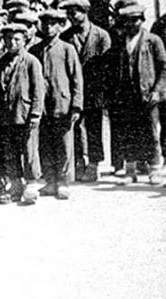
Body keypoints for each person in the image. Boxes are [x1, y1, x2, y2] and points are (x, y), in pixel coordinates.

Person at [102, 4, 166, 183]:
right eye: (128, 21)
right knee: (129, 132)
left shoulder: (153, 40)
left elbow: (163, 67)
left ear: (142, 20)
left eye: (135, 20)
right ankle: (130, 171)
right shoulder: (121, 41)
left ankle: (154, 170)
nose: (131, 24)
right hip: (126, 95)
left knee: (151, 133)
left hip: (147, 94)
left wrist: (157, 91)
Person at [0, 23, 44, 204]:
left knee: (29, 150)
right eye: (8, 39)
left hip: (25, 113)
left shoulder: (31, 61)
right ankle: (16, 184)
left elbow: (38, 89)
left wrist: (35, 113)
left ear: (25, 41)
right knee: (10, 151)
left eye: (16, 39)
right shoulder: (1, 62)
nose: (12, 43)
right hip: (6, 116)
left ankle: (31, 184)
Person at [30, 10, 83, 199]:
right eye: (45, 23)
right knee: (45, 144)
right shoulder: (35, 50)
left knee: (64, 145)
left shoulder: (67, 49)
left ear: (60, 26)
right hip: (42, 107)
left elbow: (76, 79)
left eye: (53, 23)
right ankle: (50, 180)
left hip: (62, 105)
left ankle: (63, 181)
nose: (48, 27)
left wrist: (76, 106)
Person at [60, 0, 111, 183]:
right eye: (69, 13)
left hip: (94, 89)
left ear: (85, 11)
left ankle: (94, 164)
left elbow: (107, 65)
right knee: (75, 126)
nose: (71, 17)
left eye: (74, 13)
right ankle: (79, 161)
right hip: (74, 89)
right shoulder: (65, 37)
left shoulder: (101, 35)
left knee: (94, 127)